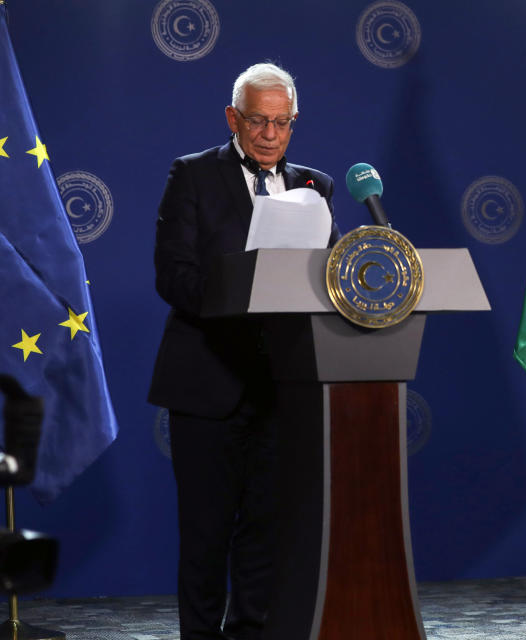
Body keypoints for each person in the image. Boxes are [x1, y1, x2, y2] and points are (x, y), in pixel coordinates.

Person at [149, 62, 338, 640]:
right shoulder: (194, 175)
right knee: (205, 536)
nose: (269, 135)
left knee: (265, 531)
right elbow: (172, 275)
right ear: (234, 118)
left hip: (285, 388)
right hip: (208, 382)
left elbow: (325, 278)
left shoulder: (316, 188)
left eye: (282, 123)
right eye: (257, 120)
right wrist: (239, 293)